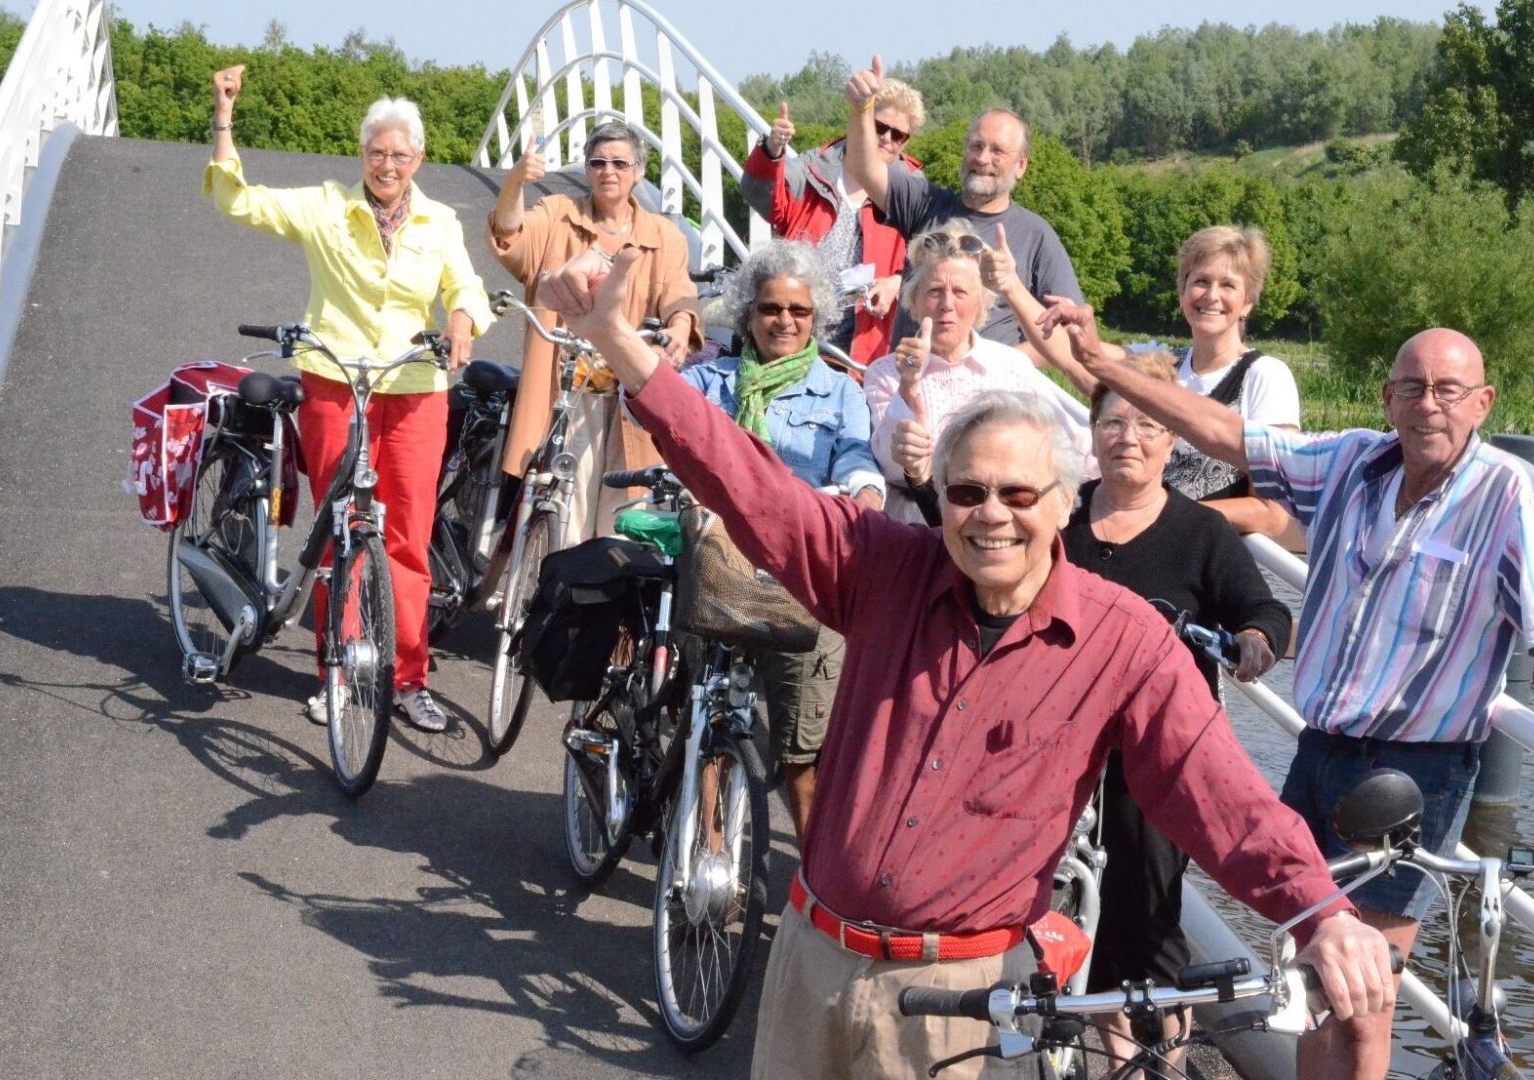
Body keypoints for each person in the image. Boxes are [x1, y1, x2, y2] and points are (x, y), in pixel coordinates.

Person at [537, 244, 1395, 1080]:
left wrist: (1320, 912)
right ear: (939, 496)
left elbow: (1224, 798)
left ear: (1065, 505)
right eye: (968, 491)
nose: (993, 515)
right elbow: (751, 485)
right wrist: (621, 345)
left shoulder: (1122, 641)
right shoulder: (882, 570)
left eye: (1020, 495)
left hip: (961, 1003)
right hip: (812, 965)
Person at [1046, 310, 1534, 1080]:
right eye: (1413, 387)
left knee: (1364, 989)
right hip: (1321, 750)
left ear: (1484, 402)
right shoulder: (1348, 464)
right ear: (1387, 398)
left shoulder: (1512, 493)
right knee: (1311, 962)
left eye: (1449, 388)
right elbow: (1223, 434)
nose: (1429, 403)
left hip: (1416, 772)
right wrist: (1109, 367)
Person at [204, 65, 495, 734]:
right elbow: (239, 200)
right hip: (337, 386)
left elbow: (466, 289)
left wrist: (460, 323)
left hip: (416, 391)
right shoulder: (326, 206)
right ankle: (336, 671)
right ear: (361, 155)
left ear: (417, 158)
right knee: (341, 535)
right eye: (376, 151)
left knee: (409, 538)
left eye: (399, 153)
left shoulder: (440, 222)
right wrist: (225, 119)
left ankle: (408, 678)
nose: (387, 163)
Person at [1062, 350, 1292, 1072]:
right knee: (1078, 912)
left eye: (1147, 423)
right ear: (1093, 434)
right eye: (1113, 422)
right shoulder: (1060, 515)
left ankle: (1163, 1062)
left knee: (1150, 912)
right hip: (1059, 743)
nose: (1128, 436)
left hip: (1156, 755)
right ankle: (1108, 1050)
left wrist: (1255, 642)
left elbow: (1263, 610)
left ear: (1171, 439)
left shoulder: (1200, 533)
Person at [678, 241, 886, 835]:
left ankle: (812, 891)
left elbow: (855, 456)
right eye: (771, 309)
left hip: (803, 580)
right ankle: (707, 855)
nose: (784, 322)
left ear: (815, 318)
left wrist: (863, 492)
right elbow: (664, 424)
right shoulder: (709, 382)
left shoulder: (841, 391)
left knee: (805, 754)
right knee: (709, 722)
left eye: (798, 312)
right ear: (748, 314)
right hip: (719, 568)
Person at [487, 121, 703, 542]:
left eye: (620, 163)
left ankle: (605, 604)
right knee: (564, 513)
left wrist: (680, 324)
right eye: (598, 162)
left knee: (623, 516)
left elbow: (681, 294)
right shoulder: (556, 214)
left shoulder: (664, 236)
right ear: (586, 169)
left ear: (639, 172)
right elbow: (510, 238)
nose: (609, 171)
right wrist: (514, 182)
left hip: (628, 391)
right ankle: (554, 599)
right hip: (569, 388)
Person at [1047, 225, 1300, 538]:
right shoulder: (1161, 363)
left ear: (1248, 302)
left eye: (1228, 285)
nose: (1211, 296)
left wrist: (1160, 510)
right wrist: (1011, 286)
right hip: (1136, 537)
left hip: (1207, 555)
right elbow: (1076, 353)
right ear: (1183, 291)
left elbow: (1272, 515)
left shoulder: (1264, 376)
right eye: (1201, 281)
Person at [840, 56, 1084, 367]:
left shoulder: (1037, 237)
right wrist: (861, 109)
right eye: (975, 146)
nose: (982, 158)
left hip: (988, 398)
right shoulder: (925, 203)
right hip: (909, 382)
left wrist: (994, 361)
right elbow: (863, 167)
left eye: (997, 151)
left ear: (1021, 166)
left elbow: (1069, 331)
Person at [869, 223, 1089, 523]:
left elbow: (1074, 448)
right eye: (934, 291)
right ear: (914, 303)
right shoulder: (884, 373)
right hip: (916, 529)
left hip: (1001, 523)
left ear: (981, 304)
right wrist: (908, 385)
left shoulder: (1010, 367)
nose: (947, 304)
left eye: (960, 291)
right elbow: (892, 465)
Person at [740, 80, 926, 366]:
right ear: (860, 122)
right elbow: (762, 198)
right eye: (879, 127)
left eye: (899, 135)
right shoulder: (814, 168)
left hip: (865, 335)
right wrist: (772, 150)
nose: (887, 138)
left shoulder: (913, 188)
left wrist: (897, 283)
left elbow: (929, 262)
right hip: (795, 322)